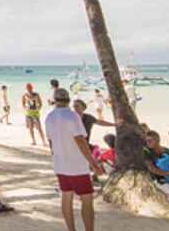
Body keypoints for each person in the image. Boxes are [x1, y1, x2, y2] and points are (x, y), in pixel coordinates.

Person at [45, 89, 104, 231]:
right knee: (87, 200)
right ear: (68, 100)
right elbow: (80, 141)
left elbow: (51, 142)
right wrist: (94, 164)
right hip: (77, 166)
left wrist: (57, 157)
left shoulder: (49, 117)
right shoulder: (72, 116)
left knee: (66, 196)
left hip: (60, 164)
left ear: (55, 100)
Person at [144, 130, 169, 200]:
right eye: (146, 141)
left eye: (150, 140)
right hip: (160, 181)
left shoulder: (168, 151)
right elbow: (152, 169)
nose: (147, 143)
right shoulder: (148, 153)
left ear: (157, 140)